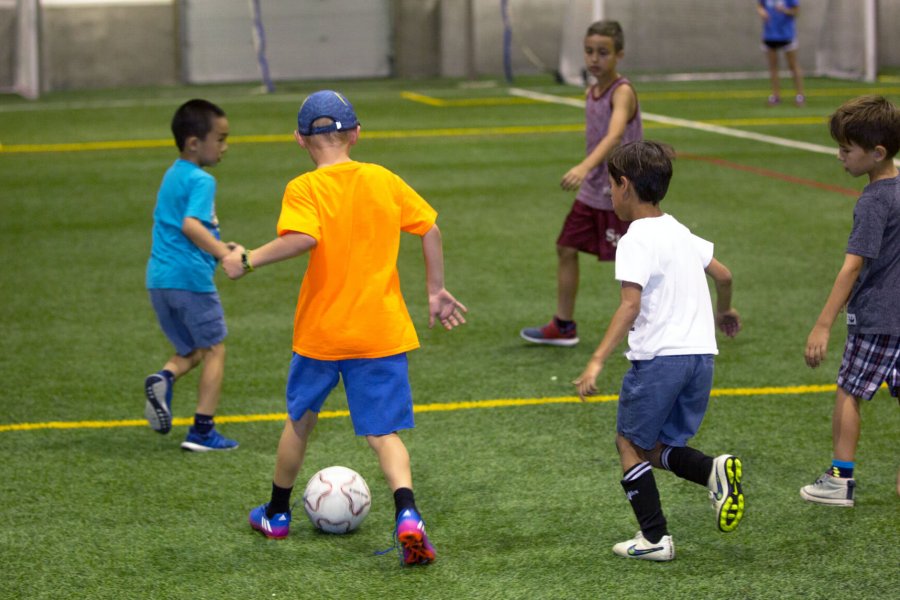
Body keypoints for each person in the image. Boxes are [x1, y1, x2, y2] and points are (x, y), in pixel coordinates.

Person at [222, 90, 467, 565]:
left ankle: (276, 514)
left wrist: (247, 259)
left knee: (301, 422)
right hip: (379, 329)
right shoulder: (382, 178)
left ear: (299, 140)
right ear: (356, 133)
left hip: (322, 332)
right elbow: (429, 228)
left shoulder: (304, 188)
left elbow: (303, 238)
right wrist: (435, 290)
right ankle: (408, 514)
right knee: (384, 433)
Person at [573, 141, 744, 562]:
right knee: (655, 446)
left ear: (625, 185)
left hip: (659, 360)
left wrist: (596, 359)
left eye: (611, 185)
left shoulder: (635, 238)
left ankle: (654, 538)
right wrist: (725, 311)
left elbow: (630, 305)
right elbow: (723, 275)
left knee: (628, 443)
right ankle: (711, 472)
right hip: (701, 357)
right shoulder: (680, 231)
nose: (610, 194)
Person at [802, 95, 900, 507]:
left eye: (846, 149)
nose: (839, 156)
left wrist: (823, 322)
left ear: (876, 153)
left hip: (877, 317)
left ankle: (840, 480)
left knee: (849, 390)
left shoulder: (874, 201)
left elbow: (853, 267)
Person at [521, 20, 642, 347]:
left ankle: (660, 324)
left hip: (626, 193)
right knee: (566, 247)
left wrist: (585, 166)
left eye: (603, 53)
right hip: (595, 191)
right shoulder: (592, 91)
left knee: (643, 261)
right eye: (589, 52)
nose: (594, 59)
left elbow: (615, 134)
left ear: (619, 55)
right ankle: (563, 326)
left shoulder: (623, 92)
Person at [144, 99, 240, 452]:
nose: (225, 147)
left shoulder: (173, 174)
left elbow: (182, 225)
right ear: (194, 143)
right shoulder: (202, 179)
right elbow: (189, 226)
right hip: (190, 280)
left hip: (159, 280)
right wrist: (225, 254)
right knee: (215, 349)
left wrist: (218, 242)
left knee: (194, 349)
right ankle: (202, 431)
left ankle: (164, 377)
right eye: (221, 138)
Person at [757, 0, 805, 106]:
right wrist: (762, 12)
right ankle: (776, 96)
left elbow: (796, 11)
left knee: (793, 65)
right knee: (773, 66)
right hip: (770, 34)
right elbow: (760, 6)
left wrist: (784, 10)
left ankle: (800, 95)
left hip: (786, 34)